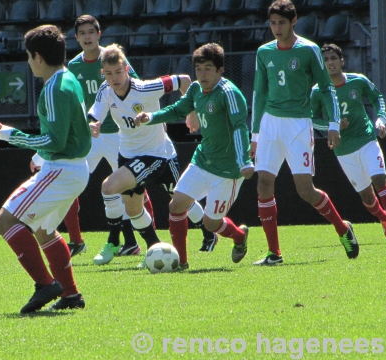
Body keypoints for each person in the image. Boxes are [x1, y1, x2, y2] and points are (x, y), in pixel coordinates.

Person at [0, 25, 89, 313]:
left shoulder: (55, 87)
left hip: (62, 168)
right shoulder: (68, 78)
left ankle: (46, 285)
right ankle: (71, 295)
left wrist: (10, 135)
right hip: (72, 168)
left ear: (38, 57)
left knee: (5, 221)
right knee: (44, 230)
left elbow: (54, 140)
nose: (29, 62)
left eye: (29, 57)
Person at [250, 0, 359, 265]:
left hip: (298, 125)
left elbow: (326, 88)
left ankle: (343, 228)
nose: (276, 28)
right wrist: (254, 135)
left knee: (305, 190)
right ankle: (274, 253)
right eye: (272, 23)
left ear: (293, 21)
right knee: (264, 183)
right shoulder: (264, 52)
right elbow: (259, 93)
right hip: (269, 124)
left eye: (281, 23)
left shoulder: (309, 50)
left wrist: (333, 124)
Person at [135, 43, 254, 268]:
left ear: (220, 70)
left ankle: (239, 236)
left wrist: (244, 161)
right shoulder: (196, 89)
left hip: (228, 170)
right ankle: (181, 262)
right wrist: (151, 117)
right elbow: (178, 109)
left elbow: (240, 127)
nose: (202, 74)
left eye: (208, 68)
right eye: (198, 69)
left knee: (210, 223)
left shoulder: (230, 94)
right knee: (176, 205)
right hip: (202, 160)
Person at [89, 44, 207, 268]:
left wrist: (191, 113)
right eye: (108, 73)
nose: (114, 78)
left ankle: (113, 240)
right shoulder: (105, 90)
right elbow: (94, 115)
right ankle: (154, 247)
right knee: (133, 209)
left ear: (126, 68)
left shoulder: (145, 88)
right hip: (128, 155)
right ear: (102, 73)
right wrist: (92, 124)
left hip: (155, 154)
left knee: (109, 187)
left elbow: (184, 80)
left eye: (118, 72)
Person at [64, 15, 157, 260]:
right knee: (68, 183)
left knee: (135, 189)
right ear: (76, 38)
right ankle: (76, 240)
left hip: (119, 134)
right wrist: (84, 124)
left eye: (90, 32)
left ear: (99, 34)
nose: (87, 37)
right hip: (91, 137)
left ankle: (150, 245)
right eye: (82, 33)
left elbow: (136, 85)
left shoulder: (114, 59)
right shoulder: (73, 67)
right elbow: (75, 102)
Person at [311, 43, 386, 243]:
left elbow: (377, 97)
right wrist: (332, 125)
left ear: (342, 61)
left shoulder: (357, 81)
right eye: (325, 60)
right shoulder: (318, 91)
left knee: (380, 181)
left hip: (366, 139)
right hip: (343, 149)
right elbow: (311, 118)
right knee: (367, 197)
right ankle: (384, 219)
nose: (330, 63)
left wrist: (380, 119)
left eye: (333, 58)